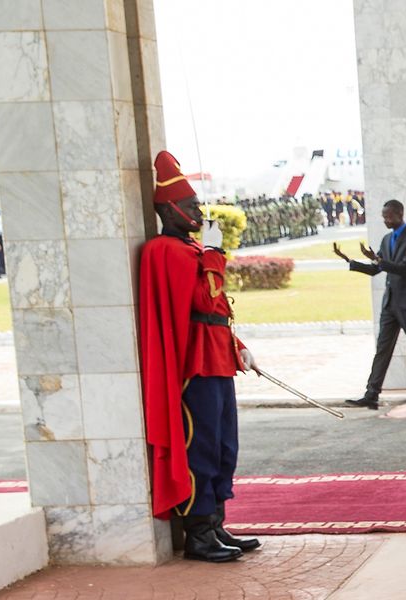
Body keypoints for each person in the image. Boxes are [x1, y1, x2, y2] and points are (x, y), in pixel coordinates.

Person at [137, 151, 262, 563]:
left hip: (217, 358)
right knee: (201, 445)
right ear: (169, 210)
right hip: (193, 363)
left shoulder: (191, 251)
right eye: (190, 207)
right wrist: (212, 252)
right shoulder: (164, 250)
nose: (198, 213)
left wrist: (237, 345)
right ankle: (198, 532)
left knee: (226, 444)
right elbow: (204, 295)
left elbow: (216, 309)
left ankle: (216, 524)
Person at [335, 199, 406, 410]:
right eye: (384, 216)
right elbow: (375, 269)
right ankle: (372, 394)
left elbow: (405, 268)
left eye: (388, 216)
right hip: (390, 303)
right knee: (382, 349)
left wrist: (379, 261)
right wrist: (349, 261)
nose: (385, 220)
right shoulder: (387, 239)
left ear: (399, 214)